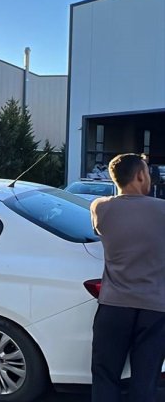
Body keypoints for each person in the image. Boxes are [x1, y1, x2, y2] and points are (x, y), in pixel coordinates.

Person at [89, 153, 165, 402]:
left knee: (105, 375)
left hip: (114, 306)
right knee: (146, 380)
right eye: (147, 173)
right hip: (155, 308)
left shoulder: (100, 207)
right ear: (141, 175)